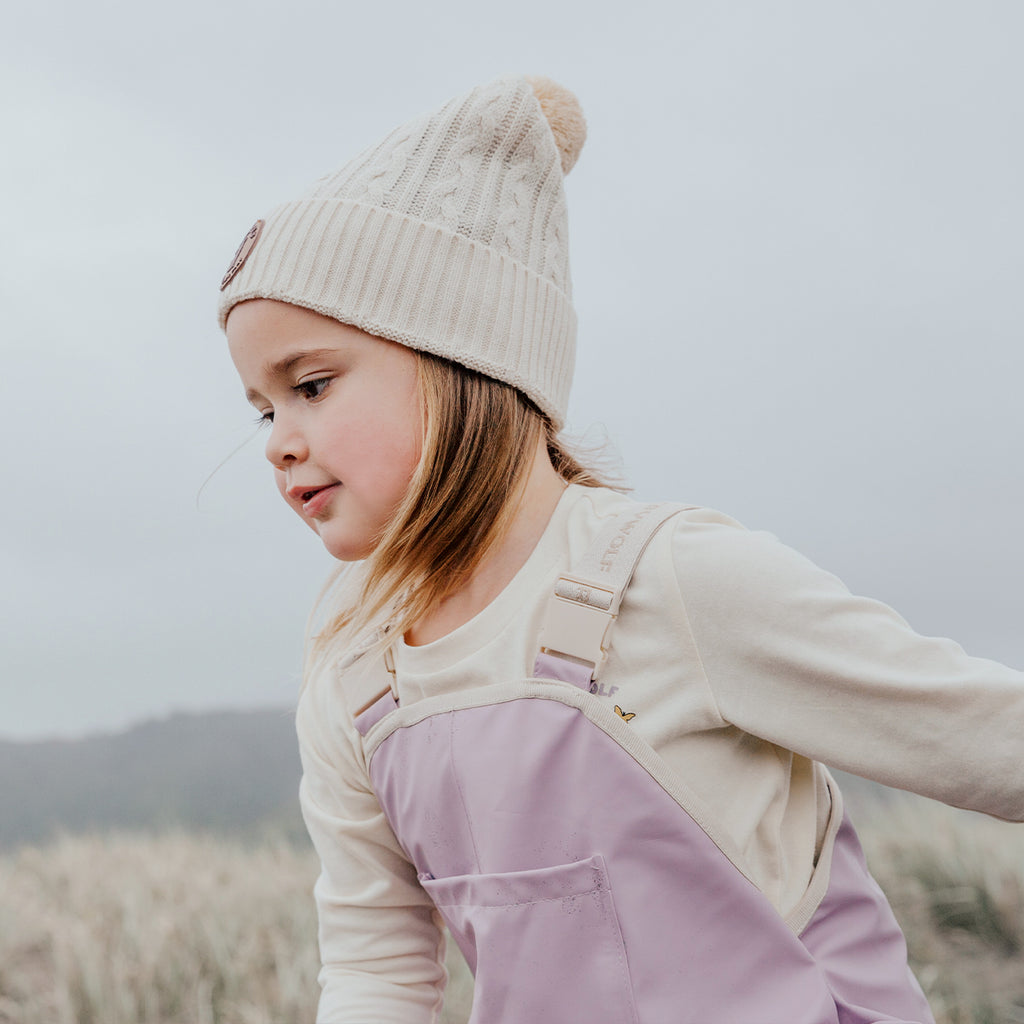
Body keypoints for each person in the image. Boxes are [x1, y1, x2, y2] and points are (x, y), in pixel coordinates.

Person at [218, 76, 1023, 1024]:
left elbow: (991, 743)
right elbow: (375, 972)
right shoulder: (354, 682)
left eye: (310, 384)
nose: (277, 437)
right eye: (262, 408)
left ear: (467, 357)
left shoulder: (678, 582)